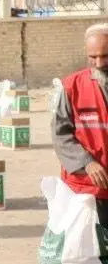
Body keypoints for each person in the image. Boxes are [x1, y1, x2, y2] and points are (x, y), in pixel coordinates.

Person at [54, 23, 108, 221]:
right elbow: (61, 135)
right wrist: (87, 163)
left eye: (105, 56)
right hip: (87, 189)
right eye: (93, 57)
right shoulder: (72, 86)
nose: (99, 63)